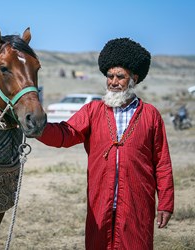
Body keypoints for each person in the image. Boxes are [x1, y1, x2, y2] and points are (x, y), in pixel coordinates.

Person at [38, 38, 174, 249]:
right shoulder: (93, 111)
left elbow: (162, 163)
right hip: (100, 201)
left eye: (120, 76)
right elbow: (66, 134)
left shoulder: (151, 115)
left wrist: (165, 203)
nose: (113, 82)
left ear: (133, 79)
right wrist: (39, 129)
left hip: (137, 204)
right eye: (110, 76)